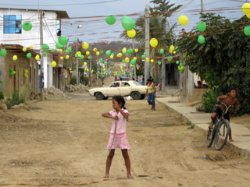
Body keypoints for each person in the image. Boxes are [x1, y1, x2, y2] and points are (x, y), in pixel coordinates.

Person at [102, 96, 132, 179]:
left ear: (120, 104)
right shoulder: (113, 112)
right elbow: (103, 114)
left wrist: (119, 109)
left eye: (114, 103)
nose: (112, 105)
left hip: (122, 135)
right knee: (110, 154)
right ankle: (106, 173)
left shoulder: (124, 111)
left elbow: (126, 116)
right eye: (112, 103)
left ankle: (129, 173)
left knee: (125, 154)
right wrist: (111, 116)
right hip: (113, 135)